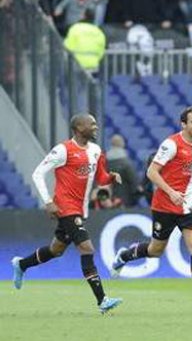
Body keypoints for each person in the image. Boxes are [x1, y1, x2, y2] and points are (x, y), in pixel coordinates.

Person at [110, 107, 192, 313]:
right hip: (164, 206)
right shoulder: (171, 144)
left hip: (188, 205)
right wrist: (171, 191)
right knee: (155, 250)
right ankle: (125, 256)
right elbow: (151, 172)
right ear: (183, 124)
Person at [12, 113, 122, 313]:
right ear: (79, 127)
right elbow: (37, 173)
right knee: (87, 249)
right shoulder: (63, 150)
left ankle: (21, 264)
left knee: (56, 250)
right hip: (66, 207)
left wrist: (111, 178)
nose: (96, 127)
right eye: (92, 124)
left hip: (81, 209)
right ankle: (102, 300)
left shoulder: (96, 151)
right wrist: (48, 202)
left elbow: (101, 177)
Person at [63, 8, 106, 73]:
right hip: (93, 66)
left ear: (83, 16)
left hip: (76, 65)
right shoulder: (99, 32)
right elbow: (101, 51)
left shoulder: (75, 28)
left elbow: (67, 46)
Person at [107, 134, 140, 207]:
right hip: (125, 199)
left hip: (108, 199)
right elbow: (133, 181)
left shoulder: (106, 162)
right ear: (122, 144)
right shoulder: (126, 163)